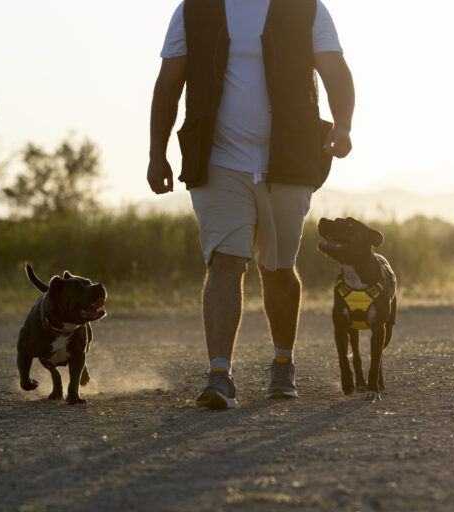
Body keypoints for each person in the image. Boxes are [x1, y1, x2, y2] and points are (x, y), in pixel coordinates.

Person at [148, 0, 354, 409]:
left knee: (277, 267)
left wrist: (344, 126)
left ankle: (282, 363)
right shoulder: (193, 10)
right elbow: (169, 83)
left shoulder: (307, 8)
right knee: (225, 262)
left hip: (289, 161)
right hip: (216, 160)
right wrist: (157, 153)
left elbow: (335, 71)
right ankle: (220, 375)